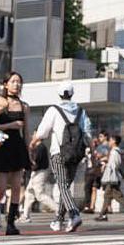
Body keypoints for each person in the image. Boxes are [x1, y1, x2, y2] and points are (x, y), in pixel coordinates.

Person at [31, 88, 91, 232]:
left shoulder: (54, 110)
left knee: (63, 186)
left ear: (59, 94)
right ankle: (58, 220)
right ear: (72, 94)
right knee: (66, 187)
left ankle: (74, 214)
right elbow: (88, 134)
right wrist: (92, 153)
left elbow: (42, 132)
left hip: (58, 153)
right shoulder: (81, 111)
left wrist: (32, 143)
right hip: (76, 154)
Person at [0, 72, 30, 234]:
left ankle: (10, 223)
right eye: (13, 81)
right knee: (1, 189)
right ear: (5, 84)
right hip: (1, 146)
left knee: (17, 187)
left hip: (18, 146)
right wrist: (10, 125)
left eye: (19, 82)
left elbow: (27, 131)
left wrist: (29, 153)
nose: (16, 85)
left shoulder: (24, 106)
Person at [95, 133, 124, 221]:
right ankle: (104, 215)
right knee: (112, 196)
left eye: (110, 140)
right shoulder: (116, 151)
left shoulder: (114, 152)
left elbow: (114, 166)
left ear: (114, 141)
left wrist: (106, 168)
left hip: (112, 178)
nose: (109, 142)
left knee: (111, 195)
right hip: (113, 177)